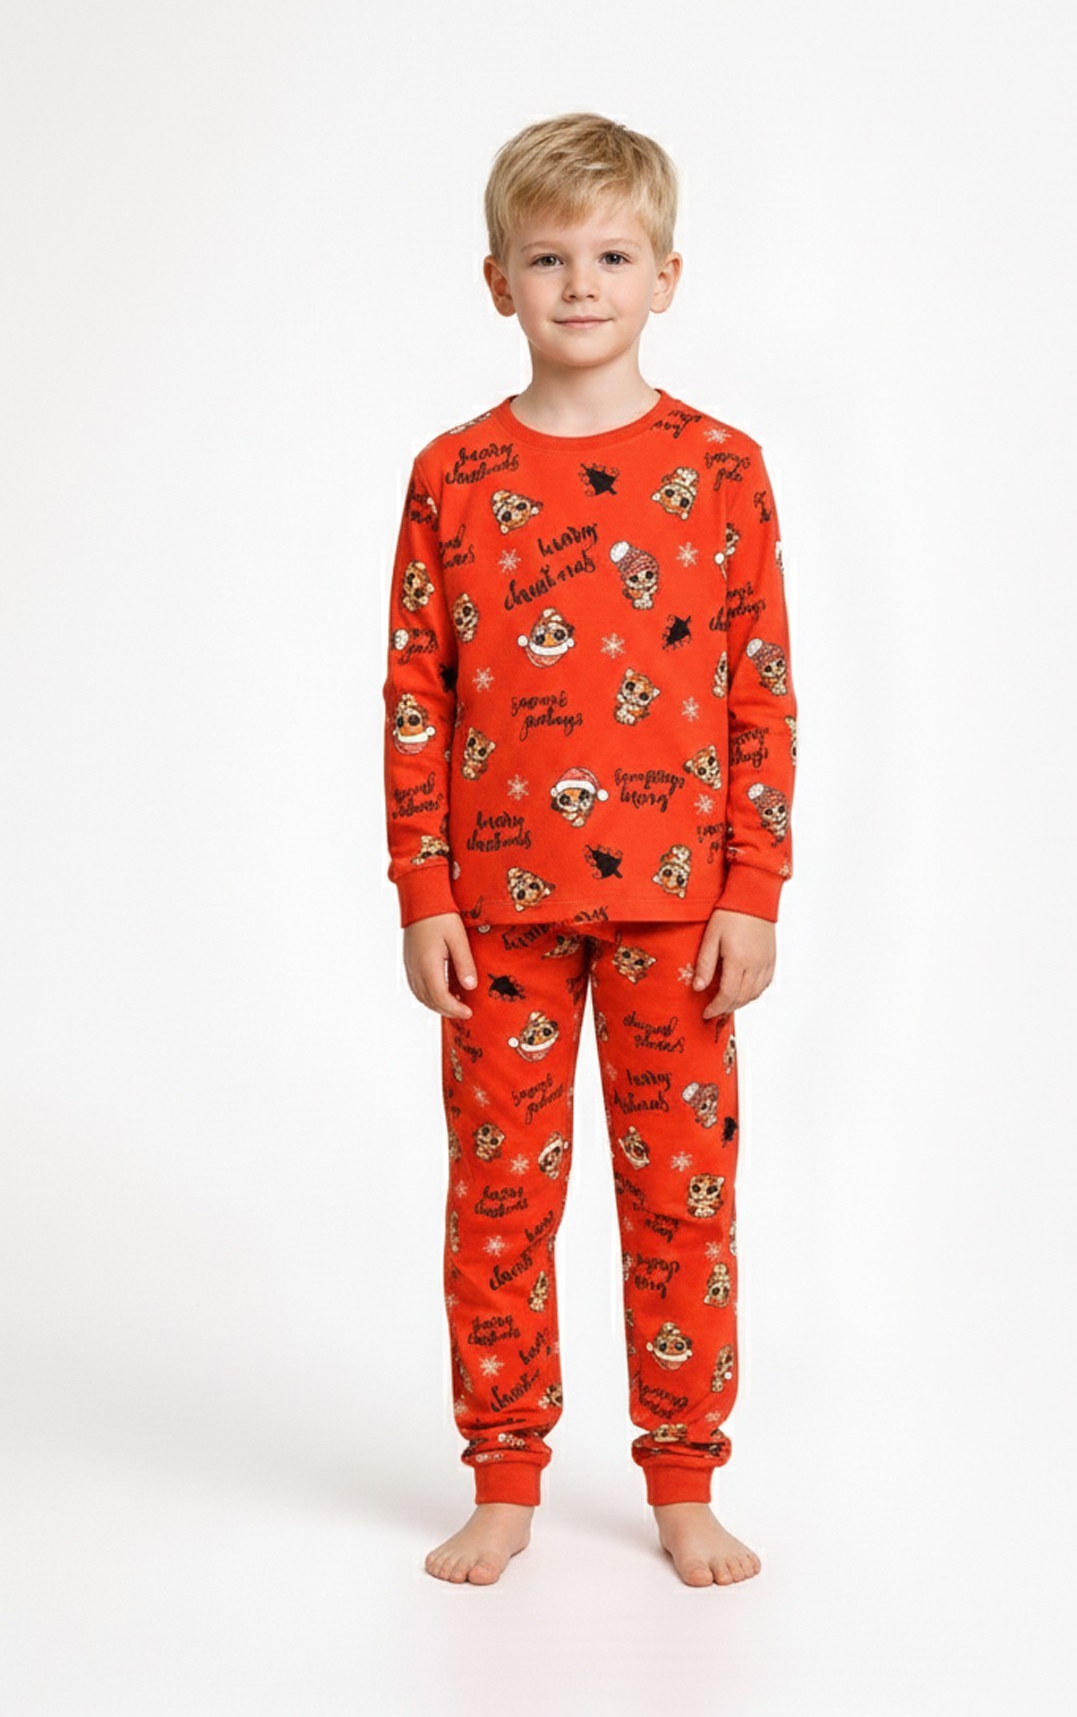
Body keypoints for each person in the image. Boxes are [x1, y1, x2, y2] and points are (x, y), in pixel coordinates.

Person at [382, 112, 797, 1587]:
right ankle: (504, 1477)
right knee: (499, 1205)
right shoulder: (453, 475)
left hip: (681, 916)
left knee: (682, 1203)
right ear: (497, 280)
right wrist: (422, 889)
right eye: (548, 258)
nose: (580, 285)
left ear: (666, 277)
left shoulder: (722, 468)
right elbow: (417, 694)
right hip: (496, 914)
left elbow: (760, 692)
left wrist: (754, 889)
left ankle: (684, 1479)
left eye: (613, 256)